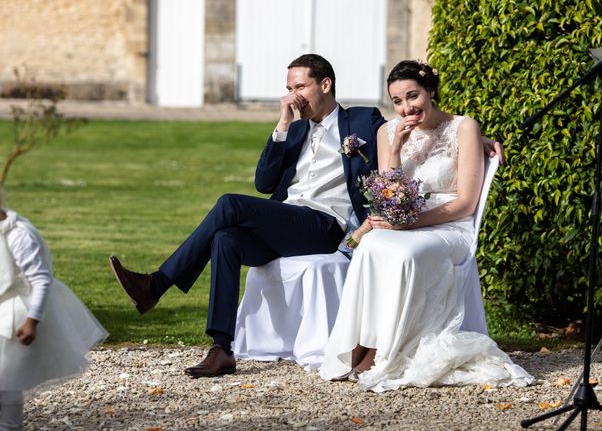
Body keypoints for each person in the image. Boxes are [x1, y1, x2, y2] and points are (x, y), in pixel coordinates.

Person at [109, 54, 504, 379]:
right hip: (285, 221)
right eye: (288, 89)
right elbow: (264, 184)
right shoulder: (294, 131)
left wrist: (473, 138)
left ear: (325, 85)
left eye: (299, 87)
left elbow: (418, 126)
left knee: (229, 204)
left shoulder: (362, 121)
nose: (293, 96)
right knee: (225, 238)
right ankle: (222, 348)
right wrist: (283, 125)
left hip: (324, 225)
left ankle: (156, 285)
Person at [319, 60, 533, 391]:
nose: (407, 107)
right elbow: (387, 193)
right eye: (398, 101)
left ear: (430, 90)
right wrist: (395, 149)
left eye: (413, 96)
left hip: (449, 224)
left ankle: (388, 349)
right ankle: (364, 342)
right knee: (370, 246)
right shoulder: (387, 132)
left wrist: (412, 223)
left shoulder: (463, 128)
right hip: (403, 221)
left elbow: (465, 204)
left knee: (406, 255)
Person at [0, 209, 107, 429]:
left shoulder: (17, 236)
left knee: (6, 379)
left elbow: (40, 279)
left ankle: (9, 426)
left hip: (15, 316)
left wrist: (32, 320)